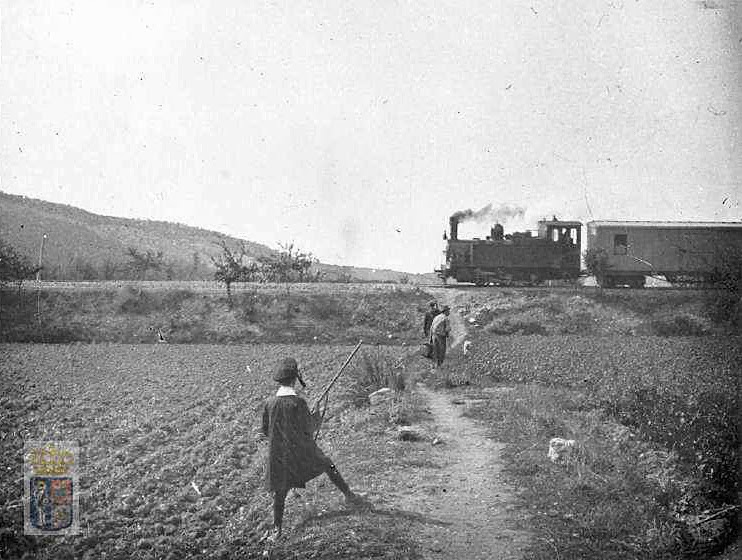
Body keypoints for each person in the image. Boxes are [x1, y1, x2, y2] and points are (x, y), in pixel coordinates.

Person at [261, 357, 367, 542]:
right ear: (294, 380)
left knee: (280, 491)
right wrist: (317, 413)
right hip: (300, 454)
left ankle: (277, 529)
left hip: (278, 457)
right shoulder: (298, 403)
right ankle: (349, 495)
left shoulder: (269, 403)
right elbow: (309, 428)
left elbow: (265, 430)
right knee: (329, 465)